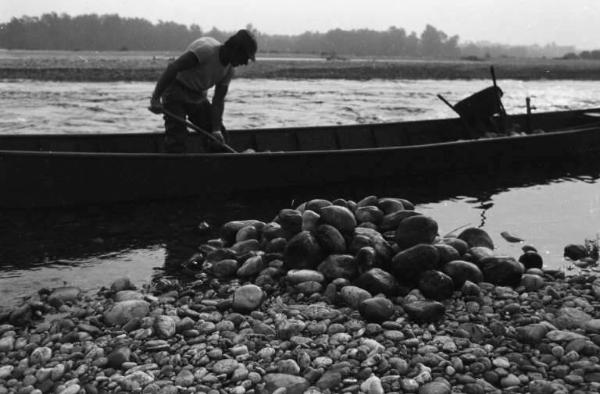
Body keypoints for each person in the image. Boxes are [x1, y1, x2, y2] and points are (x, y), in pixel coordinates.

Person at [149, 29, 257, 153]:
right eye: (245, 57)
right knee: (177, 137)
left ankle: (213, 164)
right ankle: (175, 164)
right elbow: (173, 68)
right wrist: (155, 98)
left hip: (198, 95)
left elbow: (218, 100)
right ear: (236, 49)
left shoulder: (229, 70)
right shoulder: (207, 51)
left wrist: (215, 130)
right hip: (175, 89)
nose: (245, 62)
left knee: (219, 138)